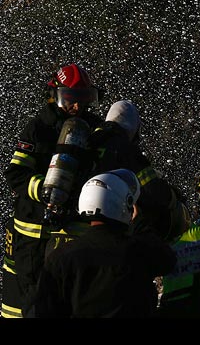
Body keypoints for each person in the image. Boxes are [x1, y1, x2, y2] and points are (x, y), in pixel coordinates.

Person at [1, 63, 103, 318]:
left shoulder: (96, 130)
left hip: (71, 232)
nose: (77, 107)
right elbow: (15, 174)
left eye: (83, 99)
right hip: (32, 234)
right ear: (54, 95)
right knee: (29, 299)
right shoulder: (39, 128)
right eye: (70, 99)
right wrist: (45, 189)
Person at [28, 169, 177, 318]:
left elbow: (42, 310)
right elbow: (168, 260)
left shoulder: (60, 257)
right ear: (125, 206)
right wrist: (140, 223)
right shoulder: (138, 250)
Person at [88, 99, 184, 241]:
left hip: (77, 220)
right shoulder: (126, 149)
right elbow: (155, 190)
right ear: (133, 128)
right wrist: (174, 197)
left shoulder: (88, 139)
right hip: (113, 223)